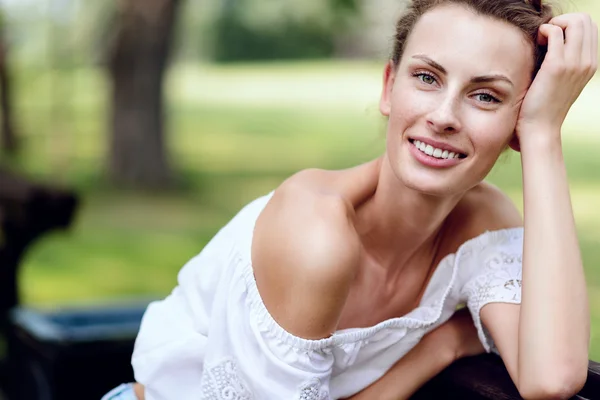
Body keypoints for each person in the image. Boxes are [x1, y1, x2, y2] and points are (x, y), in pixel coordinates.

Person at [102, 0, 597, 398]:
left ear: (516, 121)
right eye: (427, 77)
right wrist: (438, 348)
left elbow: (551, 378)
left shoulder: (483, 227)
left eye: (485, 95)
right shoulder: (315, 232)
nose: (444, 116)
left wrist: (543, 135)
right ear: (389, 87)